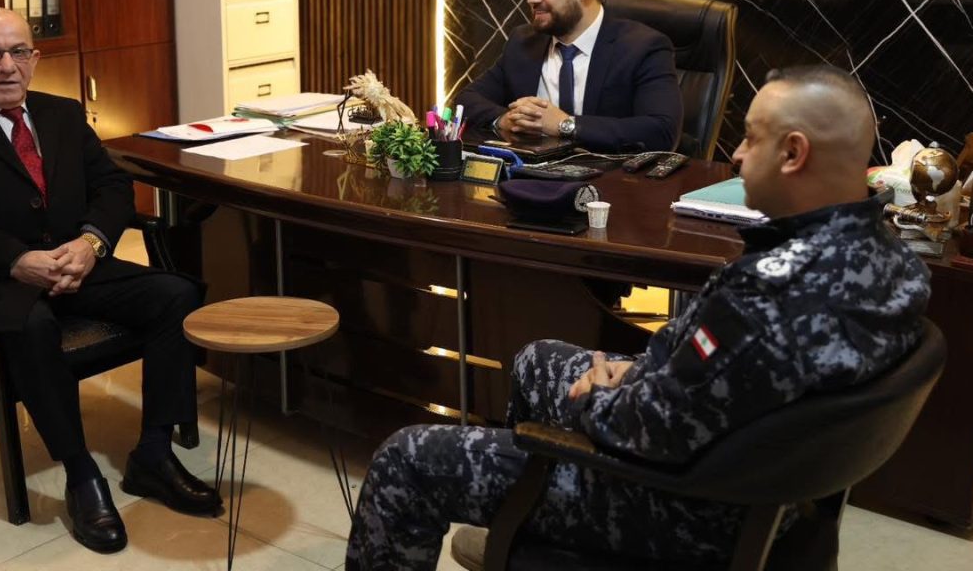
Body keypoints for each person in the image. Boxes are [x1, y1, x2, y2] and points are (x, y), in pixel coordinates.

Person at [346, 64, 931, 569]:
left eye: (752, 139)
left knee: (406, 459)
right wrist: (639, 371)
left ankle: (540, 515)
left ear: (794, 153)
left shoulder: (762, 298)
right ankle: (521, 525)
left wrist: (595, 396)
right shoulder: (896, 266)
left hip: (682, 507)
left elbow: (651, 429)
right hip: (758, 479)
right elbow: (720, 379)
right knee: (534, 360)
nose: (736, 154)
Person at [0, 8, 220, 554]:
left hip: (78, 267)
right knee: (33, 326)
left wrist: (91, 244)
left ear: (35, 58)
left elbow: (113, 187)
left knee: (176, 294)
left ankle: (154, 453)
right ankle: (80, 474)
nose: (6, 66)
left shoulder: (64, 113)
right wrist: (15, 258)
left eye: (18, 52)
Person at [455, 0, 683, 153]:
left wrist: (565, 125)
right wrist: (506, 119)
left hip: (610, 176)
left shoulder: (643, 48)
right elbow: (466, 100)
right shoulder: (523, 43)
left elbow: (661, 130)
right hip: (532, 174)